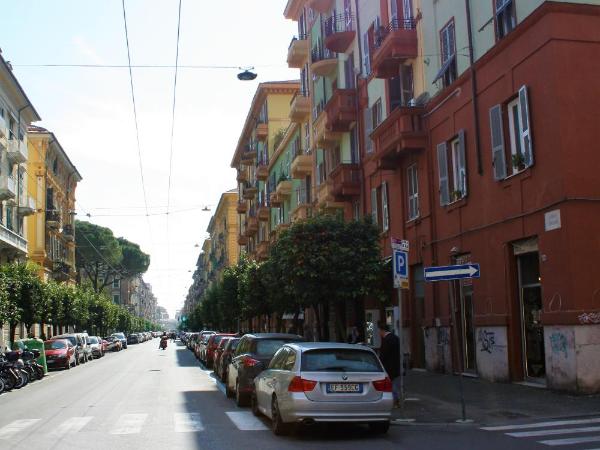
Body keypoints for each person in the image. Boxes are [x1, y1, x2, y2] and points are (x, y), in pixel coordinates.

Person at [378, 321, 401, 408]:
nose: (379, 333)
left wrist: (379, 362)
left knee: (391, 384)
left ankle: (395, 400)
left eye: (379, 331)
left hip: (389, 366)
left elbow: (384, 354)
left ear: (382, 330)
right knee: (394, 383)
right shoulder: (395, 338)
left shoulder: (387, 340)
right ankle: (396, 400)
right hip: (396, 364)